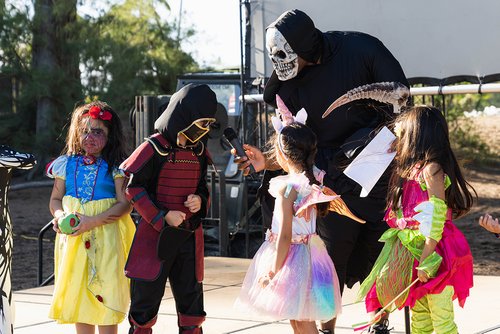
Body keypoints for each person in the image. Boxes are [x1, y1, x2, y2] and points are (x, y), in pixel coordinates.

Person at [235, 8, 408, 333]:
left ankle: (380, 320)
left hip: (377, 178)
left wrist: (370, 154)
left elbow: (400, 109)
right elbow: (293, 147)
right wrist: (267, 160)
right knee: (331, 265)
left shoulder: (363, 52)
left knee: (379, 255)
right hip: (326, 186)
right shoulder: (285, 88)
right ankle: (325, 329)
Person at [356, 106, 475, 334]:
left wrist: (426, 257)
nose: (398, 135)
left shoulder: (431, 170)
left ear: (415, 134)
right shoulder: (408, 170)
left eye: (403, 132)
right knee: (420, 319)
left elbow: (437, 215)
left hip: (434, 253)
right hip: (413, 251)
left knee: (441, 320)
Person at [235, 101, 342, 334]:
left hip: (291, 260)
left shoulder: (288, 188)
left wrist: (272, 270)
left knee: (302, 321)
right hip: (310, 255)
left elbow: (284, 235)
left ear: (283, 155)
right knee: (298, 319)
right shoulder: (314, 180)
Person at [120, 84, 217, 334]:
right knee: (144, 306)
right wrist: (163, 216)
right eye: (202, 122)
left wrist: (199, 200)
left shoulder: (198, 152)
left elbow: (203, 188)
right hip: (154, 236)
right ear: (184, 115)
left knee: (192, 308)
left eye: (208, 124)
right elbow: (133, 188)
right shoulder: (153, 147)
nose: (204, 129)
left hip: (188, 237)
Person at [46, 101, 135, 334]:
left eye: (98, 131)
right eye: (84, 130)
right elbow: (55, 199)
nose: (90, 137)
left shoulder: (116, 166)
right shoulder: (65, 164)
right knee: (79, 291)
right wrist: (59, 215)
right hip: (74, 239)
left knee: (106, 287)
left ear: (110, 135)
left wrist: (92, 221)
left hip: (105, 237)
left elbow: (125, 204)